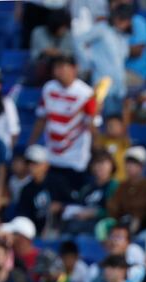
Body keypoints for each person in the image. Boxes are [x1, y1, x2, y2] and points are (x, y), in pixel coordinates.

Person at [29, 54, 96, 190]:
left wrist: (95, 151)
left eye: (62, 67)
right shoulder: (49, 88)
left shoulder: (86, 93)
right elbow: (42, 118)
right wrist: (31, 142)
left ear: (74, 69)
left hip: (76, 158)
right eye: (56, 67)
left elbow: (92, 125)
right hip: (52, 156)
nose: (59, 71)